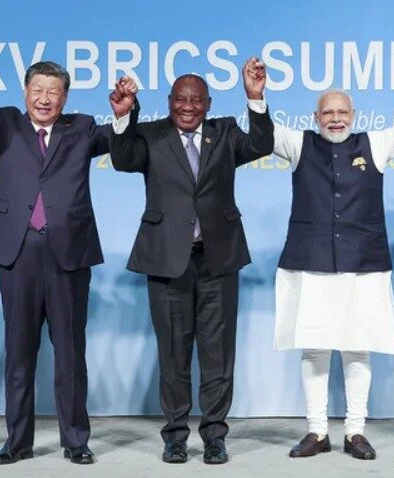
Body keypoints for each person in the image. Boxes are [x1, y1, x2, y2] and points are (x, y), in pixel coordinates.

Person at [271, 50, 394, 460]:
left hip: (364, 264)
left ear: (354, 114)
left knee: (358, 347)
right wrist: (256, 96)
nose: (335, 119)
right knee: (314, 349)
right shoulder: (297, 144)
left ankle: (355, 431)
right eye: (327, 113)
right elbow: (262, 128)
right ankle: (317, 432)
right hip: (311, 262)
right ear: (316, 118)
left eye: (342, 112)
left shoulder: (375, 143)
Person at [107, 58, 273, 464]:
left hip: (218, 261)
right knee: (174, 357)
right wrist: (123, 116)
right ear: (169, 101)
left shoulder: (227, 133)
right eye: (180, 99)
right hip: (166, 262)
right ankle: (175, 437)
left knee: (217, 357)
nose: (187, 107)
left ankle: (215, 436)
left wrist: (255, 97)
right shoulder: (150, 134)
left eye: (196, 101)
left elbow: (262, 144)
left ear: (209, 104)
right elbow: (122, 159)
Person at [0, 61, 110, 465]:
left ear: (65, 98)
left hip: (68, 255)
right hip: (16, 253)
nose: (44, 98)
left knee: (70, 353)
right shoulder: (5, 123)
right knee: (19, 352)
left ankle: (75, 440)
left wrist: (124, 114)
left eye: (53, 91)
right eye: (37, 89)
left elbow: (119, 144)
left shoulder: (83, 127)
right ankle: (17, 442)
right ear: (25, 91)